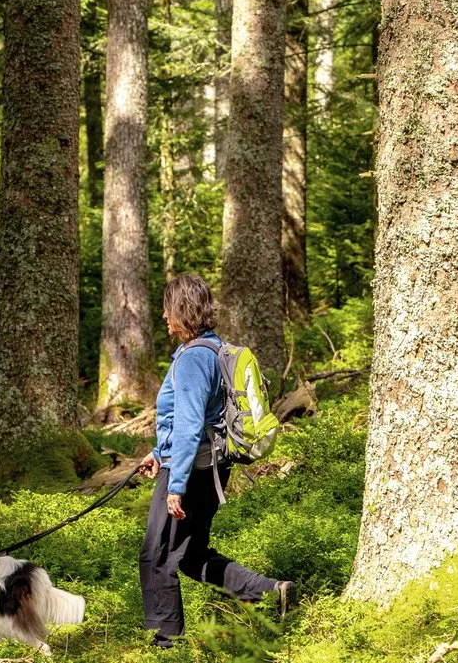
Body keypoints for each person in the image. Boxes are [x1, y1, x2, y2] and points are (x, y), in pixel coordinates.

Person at [137, 273, 292, 648]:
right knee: (189, 555)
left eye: (167, 308)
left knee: (156, 554)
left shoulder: (192, 359)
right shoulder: (213, 349)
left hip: (190, 471)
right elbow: (202, 418)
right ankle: (271, 591)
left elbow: (190, 424)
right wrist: (159, 453)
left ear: (182, 310)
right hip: (210, 467)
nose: (162, 316)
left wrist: (175, 486)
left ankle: (165, 642)